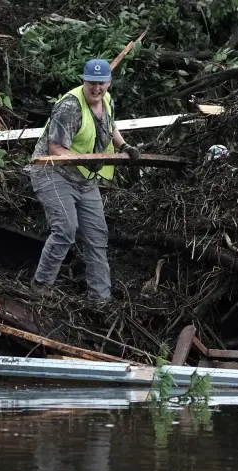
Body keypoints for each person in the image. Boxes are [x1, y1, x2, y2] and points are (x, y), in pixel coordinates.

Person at [28, 58, 140, 301]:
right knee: (66, 229)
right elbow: (56, 148)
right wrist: (84, 160)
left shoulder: (106, 100)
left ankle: (101, 300)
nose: (96, 89)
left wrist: (124, 145)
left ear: (109, 83)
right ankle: (40, 286)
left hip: (84, 178)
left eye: (101, 83)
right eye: (91, 83)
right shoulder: (70, 107)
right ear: (83, 81)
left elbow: (109, 126)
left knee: (98, 236)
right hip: (52, 172)